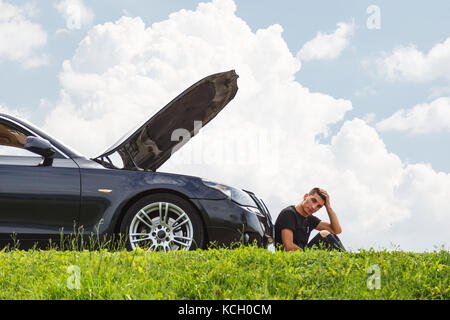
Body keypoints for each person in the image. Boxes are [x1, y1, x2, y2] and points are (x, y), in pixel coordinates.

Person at [274, 188, 345, 251]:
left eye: (318, 206)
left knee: (329, 236)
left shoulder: (309, 218)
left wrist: (328, 207)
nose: (314, 207)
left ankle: (347, 259)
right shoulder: (289, 213)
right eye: (313, 200)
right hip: (290, 259)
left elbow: (336, 230)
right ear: (305, 197)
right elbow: (288, 247)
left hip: (303, 254)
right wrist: (308, 256)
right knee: (324, 234)